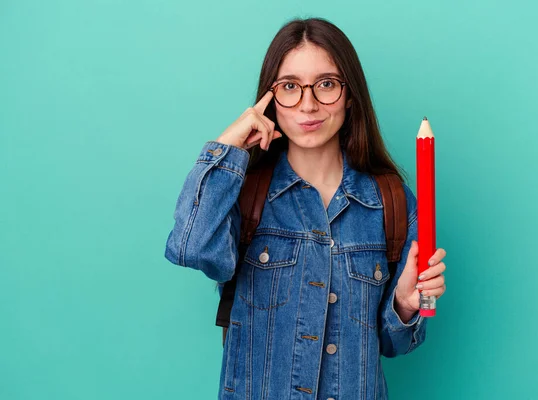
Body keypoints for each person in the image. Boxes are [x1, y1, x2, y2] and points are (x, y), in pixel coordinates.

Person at [164, 17, 447, 400]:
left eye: (326, 84)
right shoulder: (244, 193)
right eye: (290, 87)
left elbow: (398, 343)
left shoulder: (392, 202)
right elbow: (190, 247)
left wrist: (408, 303)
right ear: (269, 99)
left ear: (350, 95)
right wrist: (227, 148)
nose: (308, 104)